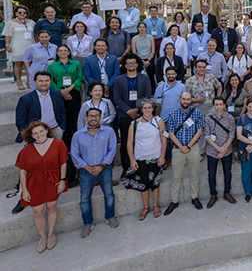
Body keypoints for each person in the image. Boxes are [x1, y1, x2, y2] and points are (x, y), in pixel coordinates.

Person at [15, 121, 68, 252]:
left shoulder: (58, 144)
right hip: (34, 183)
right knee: (38, 211)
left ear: (46, 130)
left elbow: (63, 163)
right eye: (35, 133)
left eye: (41, 131)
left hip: (52, 180)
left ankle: (50, 234)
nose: (39, 135)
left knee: (51, 207)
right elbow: (23, 171)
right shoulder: (26, 150)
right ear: (32, 135)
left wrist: (62, 180)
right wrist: (24, 190)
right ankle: (42, 237)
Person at [71, 107, 119, 238]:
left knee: (109, 194)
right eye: (91, 116)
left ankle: (110, 217)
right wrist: (86, 167)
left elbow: (112, 149)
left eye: (96, 116)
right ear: (86, 118)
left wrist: (102, 166)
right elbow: (75, 154)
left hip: (104, 169)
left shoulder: (109, 131)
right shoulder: (78, 135)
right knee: (85, 198)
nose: (93, 118)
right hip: (86, 171)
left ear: (100, 118)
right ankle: (87, 223)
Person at [125, 99, 167, 220]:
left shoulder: (158, 121)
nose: (147, 110)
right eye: (145, 108)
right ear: (141, 109)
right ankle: (145, 207)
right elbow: (129, 143)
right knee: (143, 184)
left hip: (155, 157)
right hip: (140, 158)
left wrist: (162, 155)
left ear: (153, 108)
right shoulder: (135, 123)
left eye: (149, 107)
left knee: (155, 183)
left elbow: (164, 139)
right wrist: (132, 160)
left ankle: (155, 205)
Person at [164, 92, 205, 215]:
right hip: (178, 149)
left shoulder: (197, 113)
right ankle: (174, 200)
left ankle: (194, 197)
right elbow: (170, 133)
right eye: (184, 99)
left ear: (191, 100)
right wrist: (181, 147)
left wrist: (188, 146)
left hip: (193, 148)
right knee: (176, 176)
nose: (186, 101)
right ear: (180, 100)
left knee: (194, 174)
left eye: (188, 99)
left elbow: (199, 131)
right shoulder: (173, 114)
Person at [114, 54, 152, 180]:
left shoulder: (144, 78)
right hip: (125, 116)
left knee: (142, 141)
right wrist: (128, 110)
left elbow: (147, 95)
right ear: (125, 65)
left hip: (141, 115)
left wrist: (137, 110)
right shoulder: (119, 80)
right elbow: (117, 98)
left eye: (133, 63)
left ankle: (142, 166)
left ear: (137, 64)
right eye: (128, 63)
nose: (131, 65)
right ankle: (126, 168)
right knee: (125, 142)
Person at [47, 45, 83, 153]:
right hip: (58, 93)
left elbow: (80, 78)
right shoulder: (52, 66)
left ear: (69, 52)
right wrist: (62, 92)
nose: (63, 52)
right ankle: (63, 142)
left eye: (65, 50)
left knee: (73, 117)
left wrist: (69, 89)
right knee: (62, 117)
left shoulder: (76, 64)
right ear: (57, 53)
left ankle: (73, 141)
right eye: (60, 51)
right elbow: (51, 81)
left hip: (73, 92)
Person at [203, 97, 237, 208]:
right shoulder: (208, 119)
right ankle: (213, 195)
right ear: (213, 106)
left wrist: (224, 149)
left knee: (227, 173)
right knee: (211, 174)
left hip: (226, 151)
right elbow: (207, 136)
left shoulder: (230, 118)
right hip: (212, 151)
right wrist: (219, 149)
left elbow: (232, 134)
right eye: (216, 104)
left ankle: (227, 193)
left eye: (220, 104)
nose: (218, 106)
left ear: (224, 105)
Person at [16, 71, 66, 142]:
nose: (44, 83)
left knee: (55, 152)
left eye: (47, 80)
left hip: (55, 130)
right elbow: (20, 121)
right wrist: (30, 134)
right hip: (37, 134)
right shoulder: (25, 99)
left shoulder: (57, 95)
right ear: (35, 82)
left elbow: (62, 111)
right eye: (41, 81)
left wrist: (62, 128)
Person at [3, 5, 35, 89]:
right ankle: (19, 82)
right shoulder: (11, 22)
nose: (22, 14)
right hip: (17, 45)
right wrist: (7, 45)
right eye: (20, 12)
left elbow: (35, 34)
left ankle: (29, 81)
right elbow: (7, 35)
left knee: (30, 64)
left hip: (30, 45)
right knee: (18, 63)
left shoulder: (31, 22)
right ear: (16, 13)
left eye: (24, 12)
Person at [131, 22, 156, 90]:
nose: (142, 29)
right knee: (139, 78)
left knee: (151, 77)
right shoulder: (134, 38)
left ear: (146, 28)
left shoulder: (150, 37)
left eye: (143, 27)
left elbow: (153, 50)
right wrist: (142, 61)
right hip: (139, 60)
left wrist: (148, 61)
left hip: (149, 60)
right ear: (138, 28)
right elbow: (134, 52)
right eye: (140, 27)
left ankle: (152, 93)